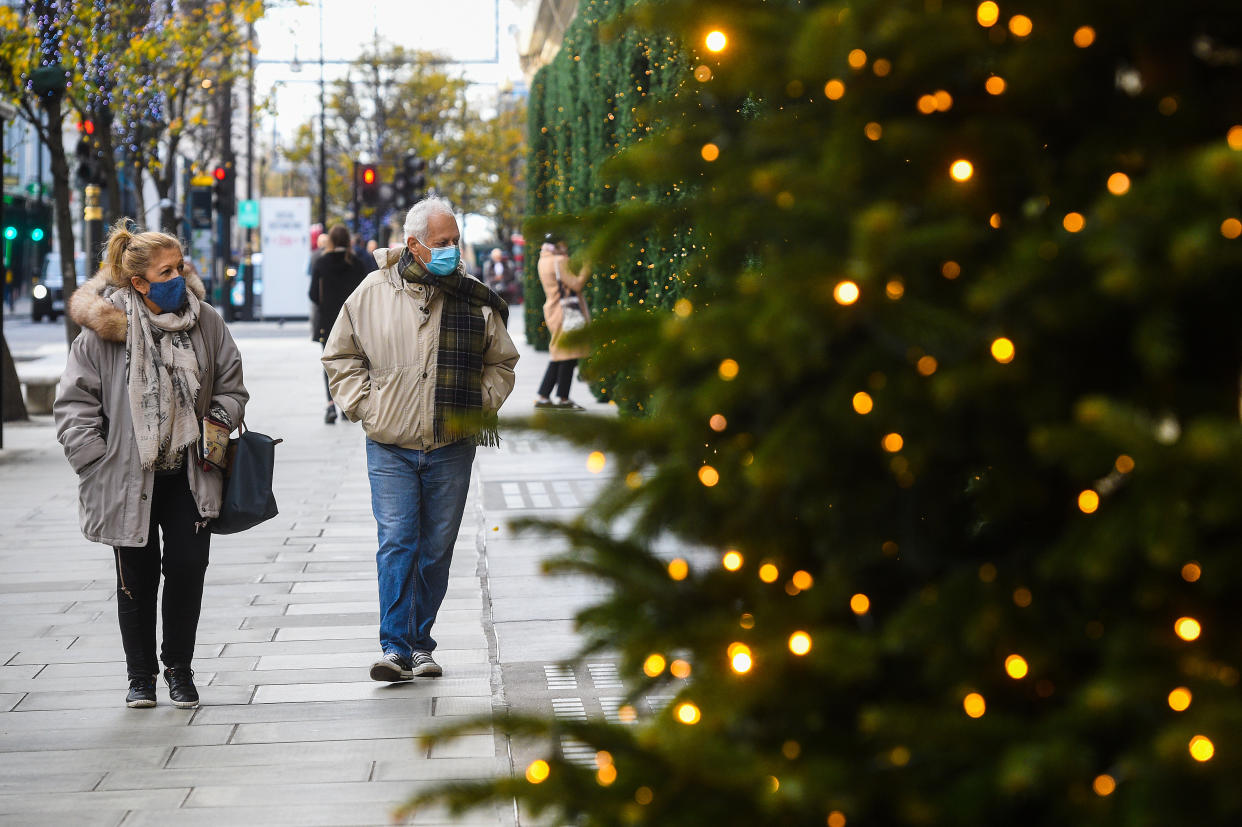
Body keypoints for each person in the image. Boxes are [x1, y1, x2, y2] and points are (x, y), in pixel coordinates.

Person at [53, 219, 248, 709]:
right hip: (125, 476)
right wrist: (93, 459)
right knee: (136, 581)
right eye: (167, 270)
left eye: (180, 266)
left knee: (187, 568)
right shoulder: (101, 334)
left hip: (190, 470)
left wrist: (219, 421)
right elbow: (74, 404)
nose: (178, 276)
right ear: (138, 282)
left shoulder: (206, 321)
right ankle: (140, 678)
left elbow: (231, 384)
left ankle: (179, 669)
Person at [322, 197, 518, 681]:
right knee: (397, 542)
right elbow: (340, 357)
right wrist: (366, 407)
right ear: (414, 245)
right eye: (443, 243)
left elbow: (502, 361)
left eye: (456, 241)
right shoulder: (371, 292)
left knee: (436, 548)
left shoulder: (473, 297)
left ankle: (420, 642)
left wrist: (478, 404)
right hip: (390, 443)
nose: (454, 250)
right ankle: (395, 647)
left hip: (452, 443)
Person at [309, 224, 367, 423]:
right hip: (353, 322)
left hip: (328, 322)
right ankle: (347, 405)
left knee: (330, 364)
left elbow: (313, 294)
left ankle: (331, 404)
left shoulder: (322, 263)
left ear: (331, 241)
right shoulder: (357, 264)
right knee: (352, 363)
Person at [535, 234, 591, 410]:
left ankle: (545, 396)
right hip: (565, 312)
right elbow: (576, 285)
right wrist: (586, 269)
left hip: (554, 309)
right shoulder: (559, 260)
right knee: (568, 354)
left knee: (560, 353)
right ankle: (563, 398)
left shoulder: (543, 260)